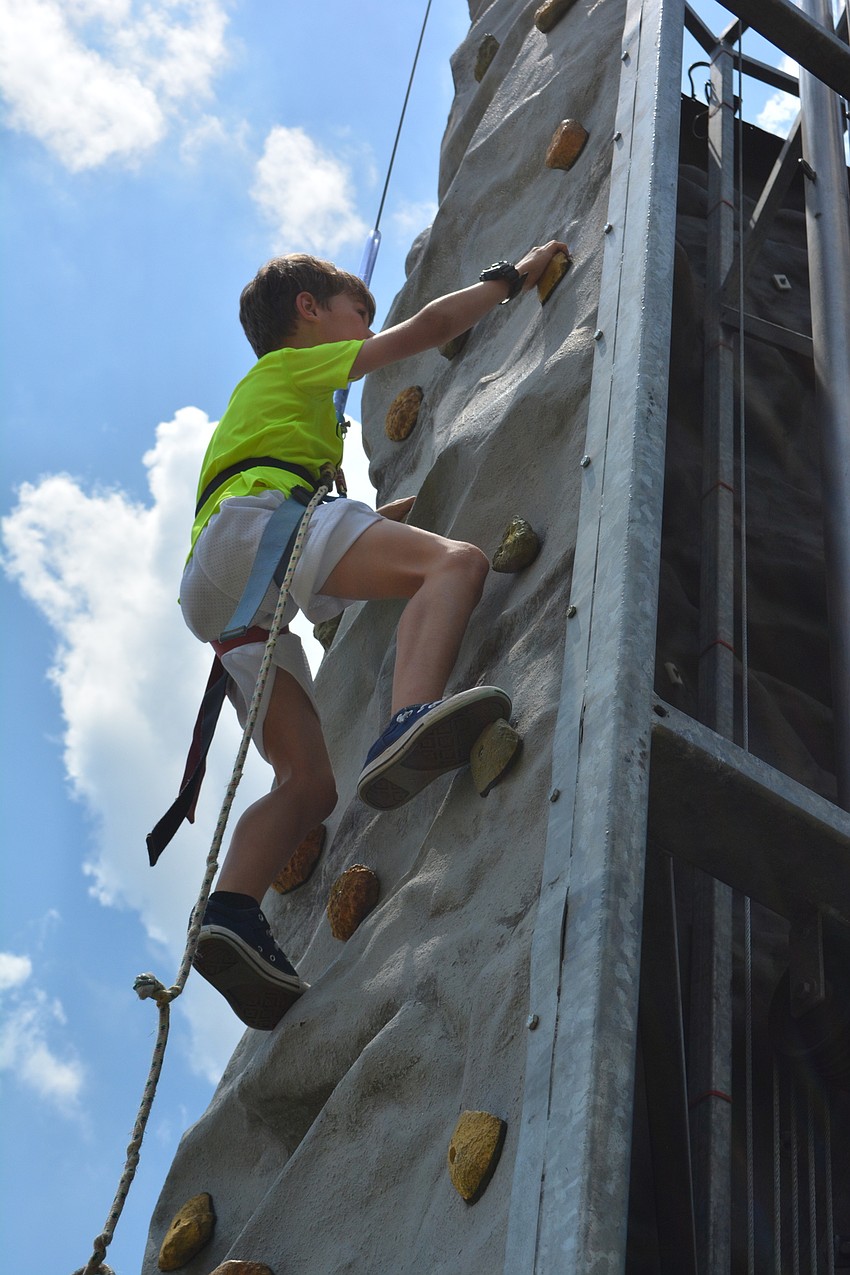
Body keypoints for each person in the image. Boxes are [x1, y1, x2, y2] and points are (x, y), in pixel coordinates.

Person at [179, 240, 570, 1029]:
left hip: (218, 585)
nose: (367, 328)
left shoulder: (270, 412)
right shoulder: (295, 367)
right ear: (308, 310)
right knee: (454, 565)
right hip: (264, 531)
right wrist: (509, 276)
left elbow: (323, 545)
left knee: (308, 784)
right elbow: (426, 329)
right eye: (358, 312)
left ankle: (231, 909)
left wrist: (383, 516)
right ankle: (407, 717)